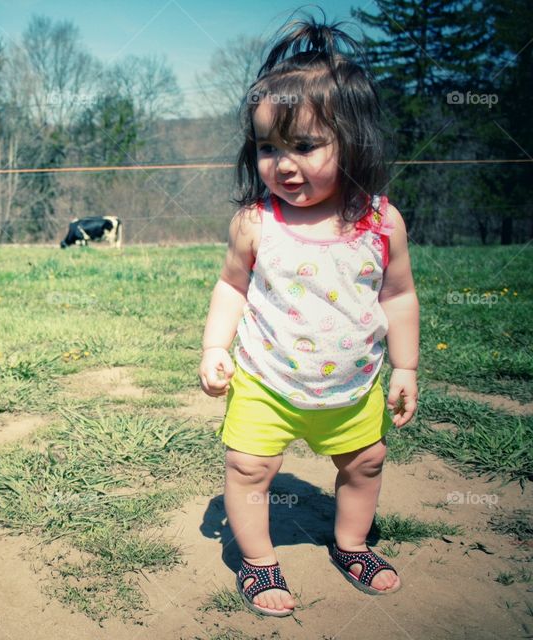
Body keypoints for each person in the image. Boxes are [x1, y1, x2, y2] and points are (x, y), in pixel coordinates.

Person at [198, 16, 419, 617]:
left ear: (354, 141)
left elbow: (398, 296)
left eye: (305, 145)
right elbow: (231, 287)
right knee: (247, 469)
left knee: (366, 461)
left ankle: (351, 544)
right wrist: (215, 348)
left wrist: (406, 367)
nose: (283, 164)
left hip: (352, 386)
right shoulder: (256, 221)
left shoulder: (381, 222)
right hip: (267, 382)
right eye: (269, 147)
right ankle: (259, 560)